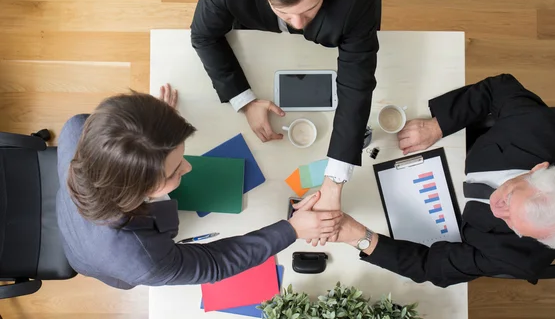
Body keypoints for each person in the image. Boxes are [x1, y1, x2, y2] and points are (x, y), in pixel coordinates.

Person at [56, 84, 342, 289]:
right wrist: (292, 229)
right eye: (175, 170)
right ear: (137, 193)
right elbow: (215, 263)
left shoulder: (77, 129)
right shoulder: (143, 260)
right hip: (96, 258)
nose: (189, 167)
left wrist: (152, 132)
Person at [329, 74, 555, 287]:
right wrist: (439, 125)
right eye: (510, 198)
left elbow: (432, 267)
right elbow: (498, 88)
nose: (497, 210)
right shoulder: (534, 127)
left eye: (515, 226)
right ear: (537, 169)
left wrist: (358, 236)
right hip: (453, 152)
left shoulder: (516, 256)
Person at [191, 0, 379, 231]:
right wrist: (245, 100)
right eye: (284, 12)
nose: (298, 24)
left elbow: (357, 85)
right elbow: (203, 35)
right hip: (258, 45)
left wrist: (334, 181)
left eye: (309, 10)